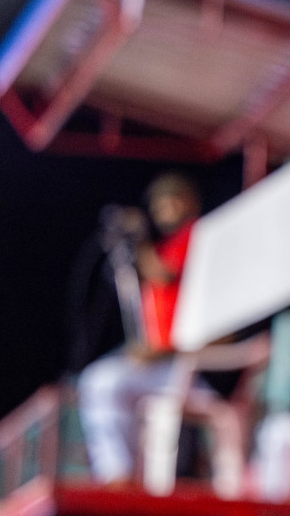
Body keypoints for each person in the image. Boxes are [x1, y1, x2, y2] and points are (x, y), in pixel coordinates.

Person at [77, 172, 206, 482]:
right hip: (167, 362)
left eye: (171, 201)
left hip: (192, 365)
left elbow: (162, 273)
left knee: (101, 384)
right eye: (158, 206)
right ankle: (121, 474)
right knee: (101, 384)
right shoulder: (167, 246)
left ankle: (120, 476)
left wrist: (139, 239)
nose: (164, 211)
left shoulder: (196, 235)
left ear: (189, 202)